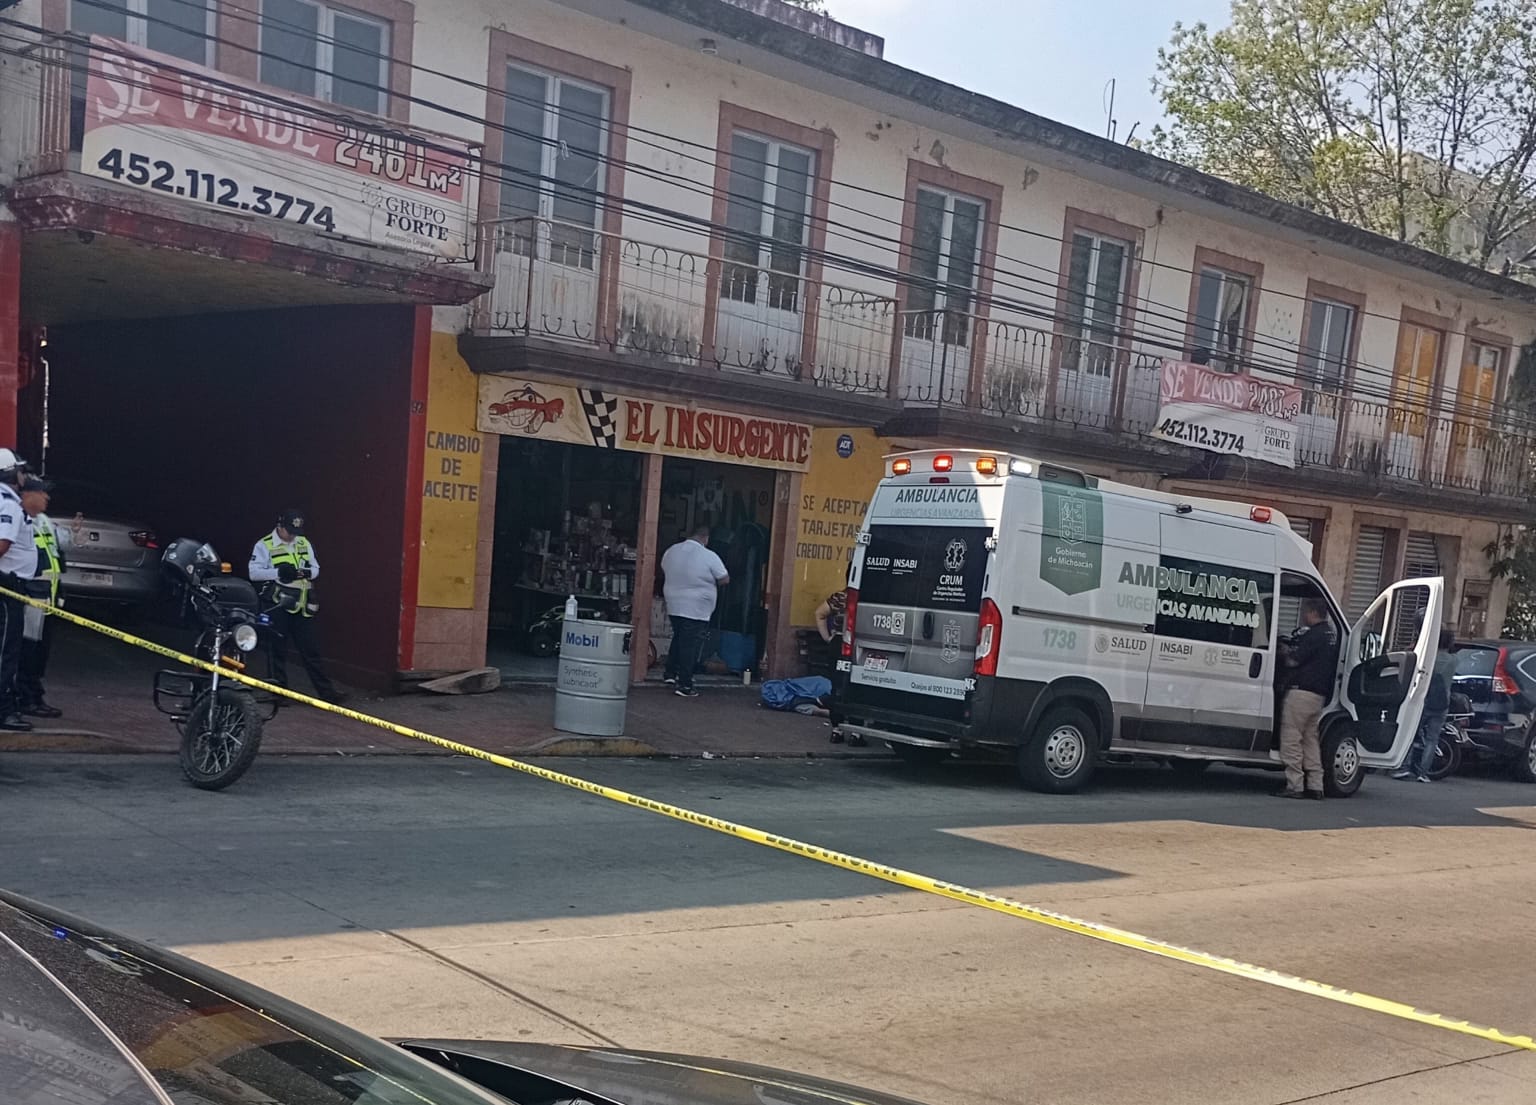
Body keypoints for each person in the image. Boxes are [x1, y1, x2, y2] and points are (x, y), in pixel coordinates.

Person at [249, 509, 344, 704]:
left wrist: (307, 573)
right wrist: (279, 572)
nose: (292, 536)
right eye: (289, 531)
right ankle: (279, 693)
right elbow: (254, 573)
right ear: (280, 526)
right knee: (277, 650)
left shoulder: (303, 542)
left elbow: (316, 568)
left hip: (301, 604)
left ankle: (327, 693)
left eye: (296, 532)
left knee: (311, 650)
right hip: (278, 604)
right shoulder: (264, 545)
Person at [1275, 598, 1339, 800]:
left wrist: (1283, 652)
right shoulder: (1331, 635)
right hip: (1318, 696)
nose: (1303, 616)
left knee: (1291, 739)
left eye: (1305, 612)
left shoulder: (1313, 635)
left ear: (1312, 613)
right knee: (1311, 741)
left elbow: (1294, 661)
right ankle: (1316, 786)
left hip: (1301, 694)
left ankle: (1295, 785)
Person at [659, 522, 728, 699]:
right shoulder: (708, 555)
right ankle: (685, 684)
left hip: (674, 602)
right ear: (705, 538)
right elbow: (724, 578)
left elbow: (663, 568)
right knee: (690, 644)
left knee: (679, 637)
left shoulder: (671, 550)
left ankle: (670, 673)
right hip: (696, 607)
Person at [18, 476, 64, 719]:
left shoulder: (44, 521)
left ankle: (34, 695)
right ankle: (25, 698)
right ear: (26, 494)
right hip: (29, 597)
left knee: (39, 653)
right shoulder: (19, 520)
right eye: (42, 492)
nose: (47, 497)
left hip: (47, 599)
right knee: (26, 651)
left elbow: (56, 551)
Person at [0, 449, 37, 732]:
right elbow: (2, 545)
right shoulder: (9, 504)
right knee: (6, 651)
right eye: (21, 470)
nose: (24, 475)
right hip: (8, 586)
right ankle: (4, 710)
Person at [1393, 628, 1458, 783]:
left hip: (1423, 700)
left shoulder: (1429, 658)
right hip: (1442, 703)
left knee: (1411, 734)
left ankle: (1404, 767)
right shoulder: (1454, 660)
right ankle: (1423, 773)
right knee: (1432, 739)